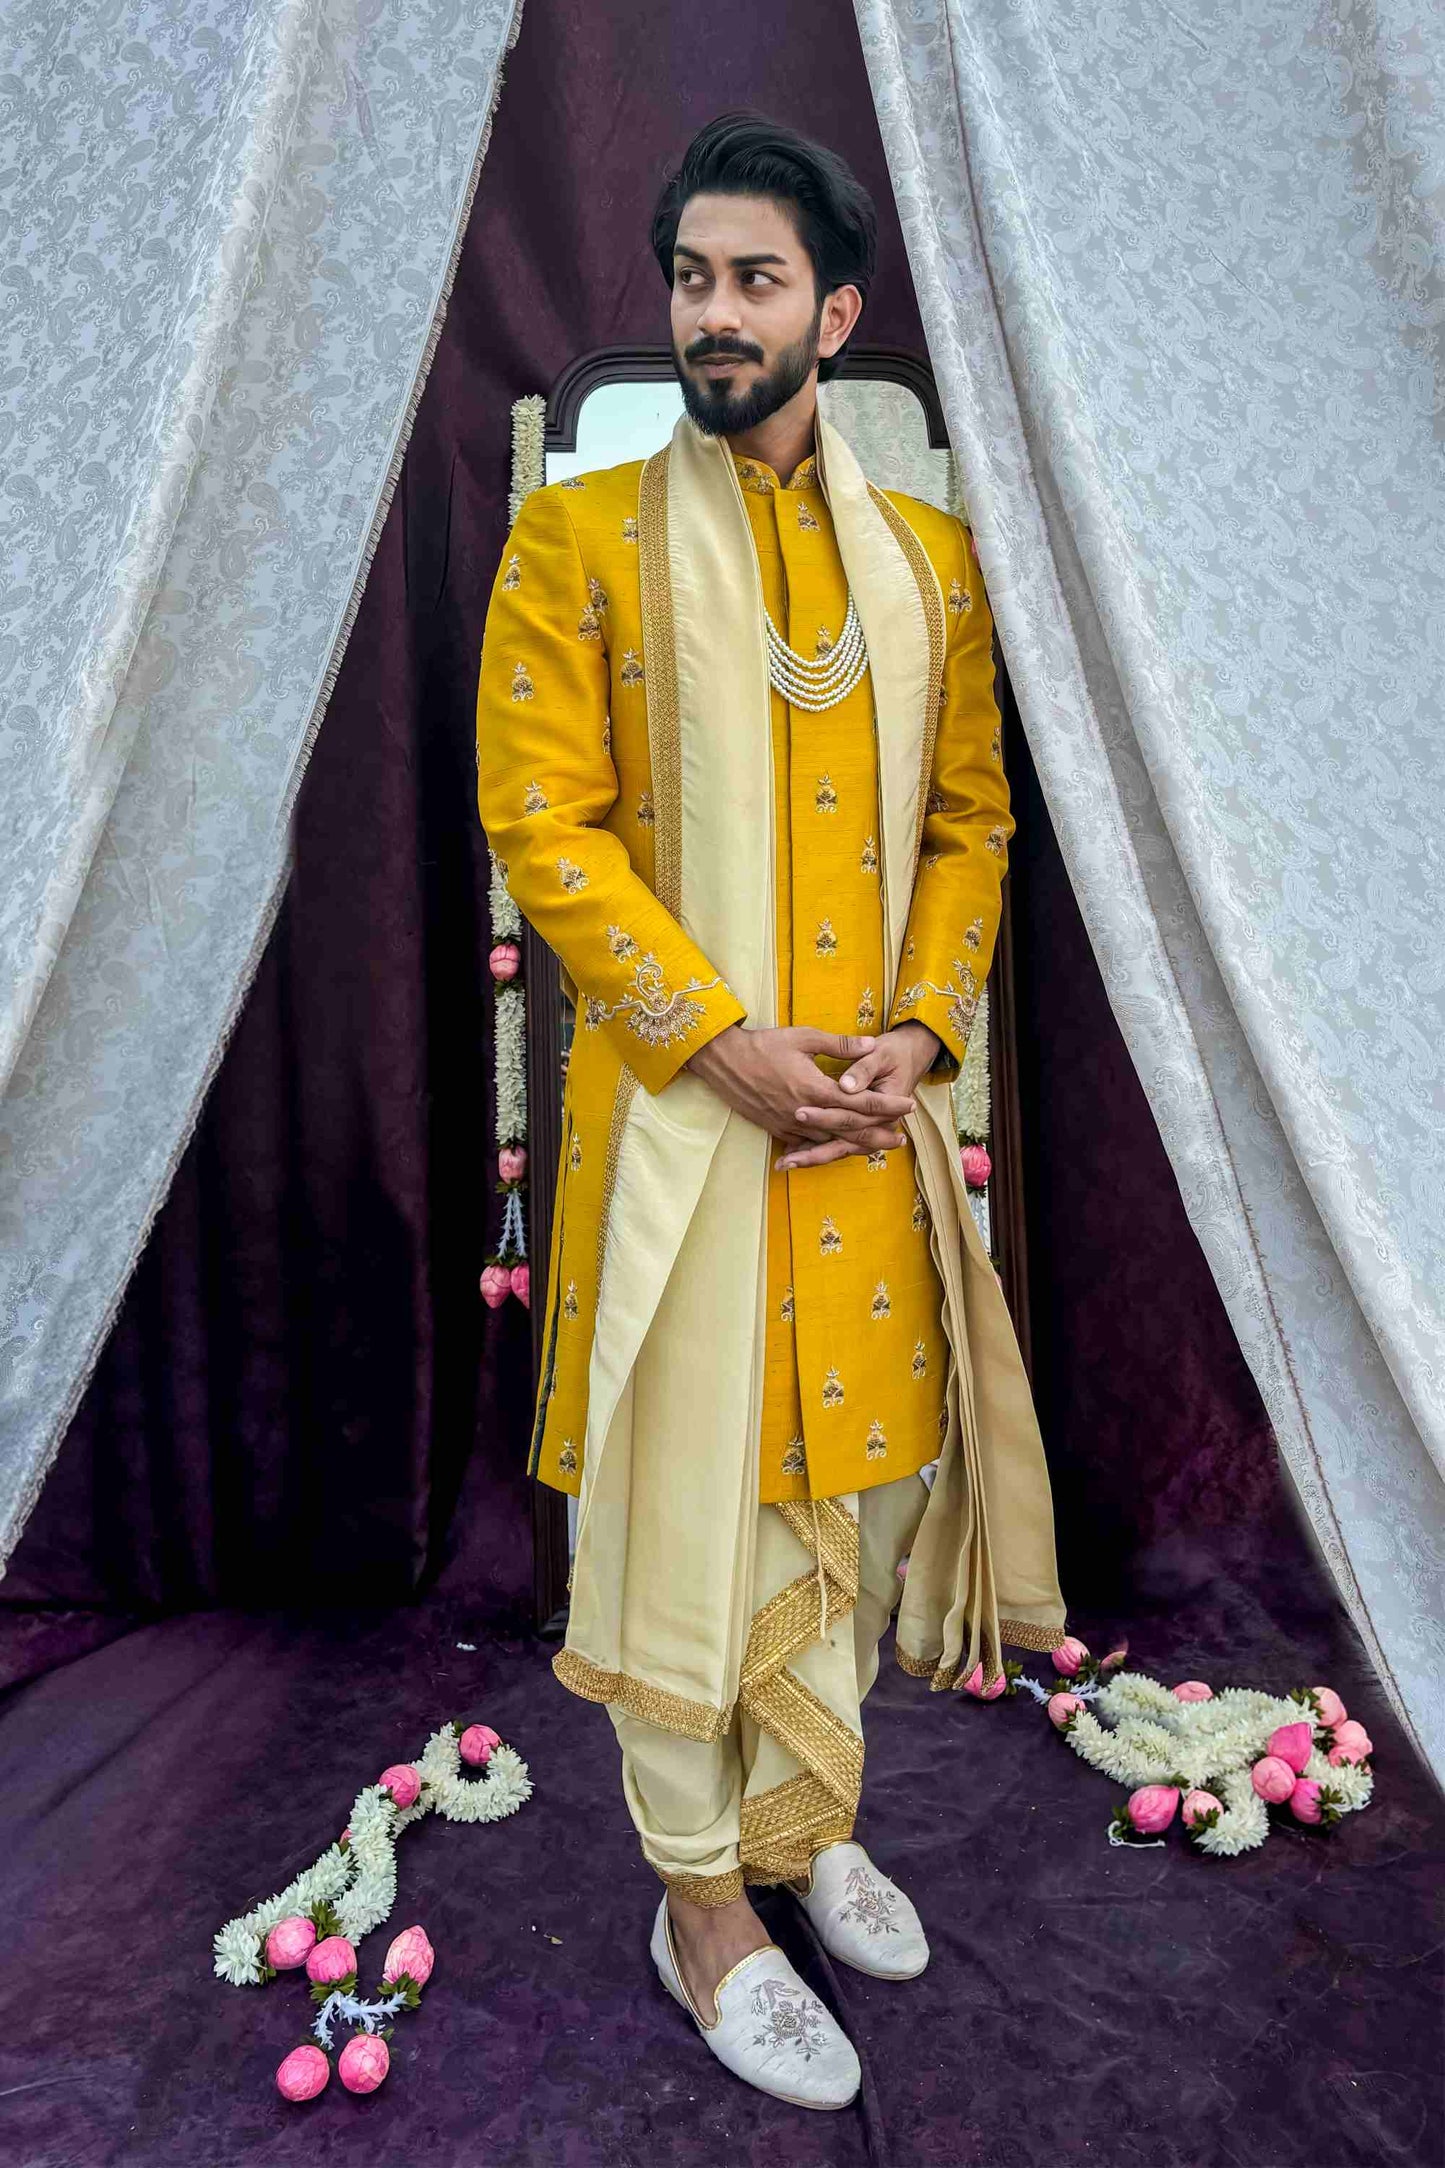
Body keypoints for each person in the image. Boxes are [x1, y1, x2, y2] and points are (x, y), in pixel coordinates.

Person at [476, 110, 1066, 2110]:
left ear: (839, 309)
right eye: (688, 280)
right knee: (685, 1509)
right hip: (681, 1129)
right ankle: (701, 1898)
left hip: (864, 1136)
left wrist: (922, 1025)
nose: (712, 315)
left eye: (752, 280)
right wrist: (713, 1034)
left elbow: (970, 824)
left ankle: (806, 1825)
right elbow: (539, 824)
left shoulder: (930, 568)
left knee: (843, 1482)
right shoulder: (576, 543)